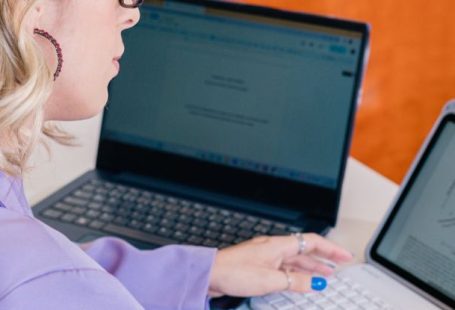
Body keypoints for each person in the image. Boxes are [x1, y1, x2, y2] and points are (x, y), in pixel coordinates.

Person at [0, 0, 353, 309]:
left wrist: (205, 275)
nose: (132, 16)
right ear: (28, 7)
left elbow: (57, 286)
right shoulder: (34, 277)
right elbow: (43, 282)